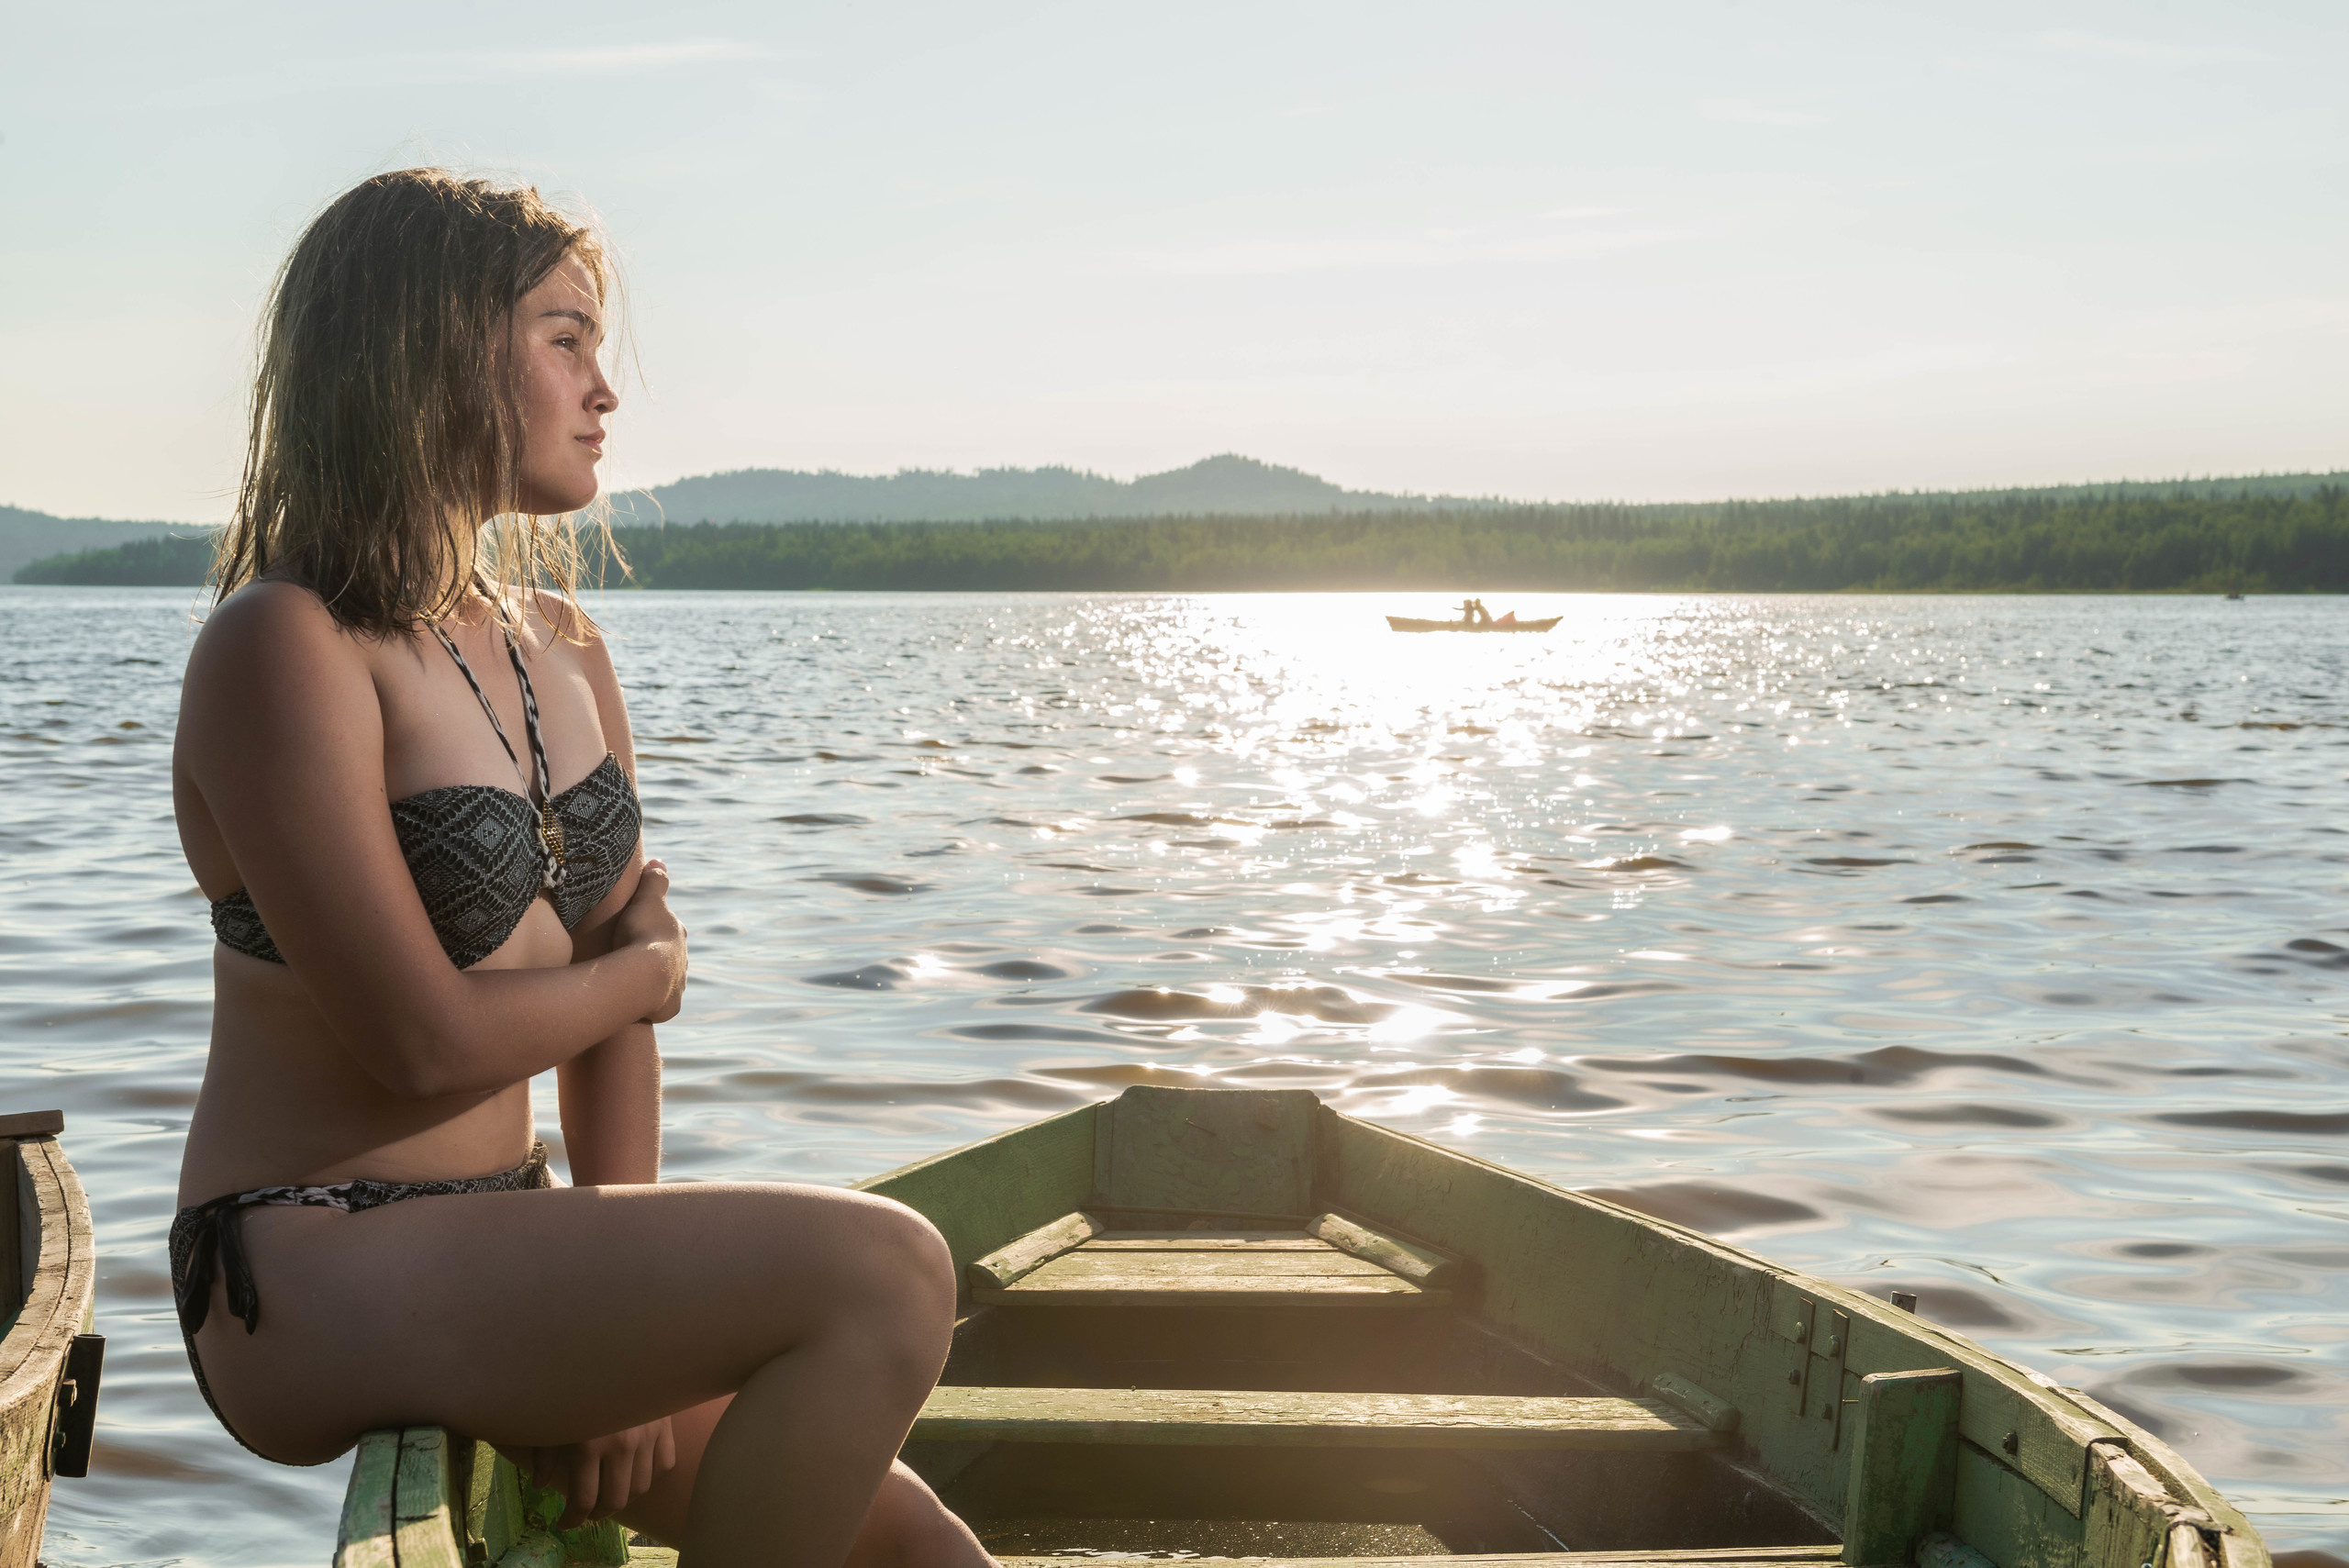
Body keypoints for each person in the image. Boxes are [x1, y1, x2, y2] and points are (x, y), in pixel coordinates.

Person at [170, 169, 987, 1567]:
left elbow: (614, 1023)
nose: (604, 389)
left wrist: (636, 1342)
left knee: (922, 1550)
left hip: (509, 1241)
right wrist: (645, 976)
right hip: (305, 1263)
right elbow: (422, 1037)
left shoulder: (560, 641)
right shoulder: (285, 643)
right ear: (428, 353)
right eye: (565, 340)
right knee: (891, 1270)